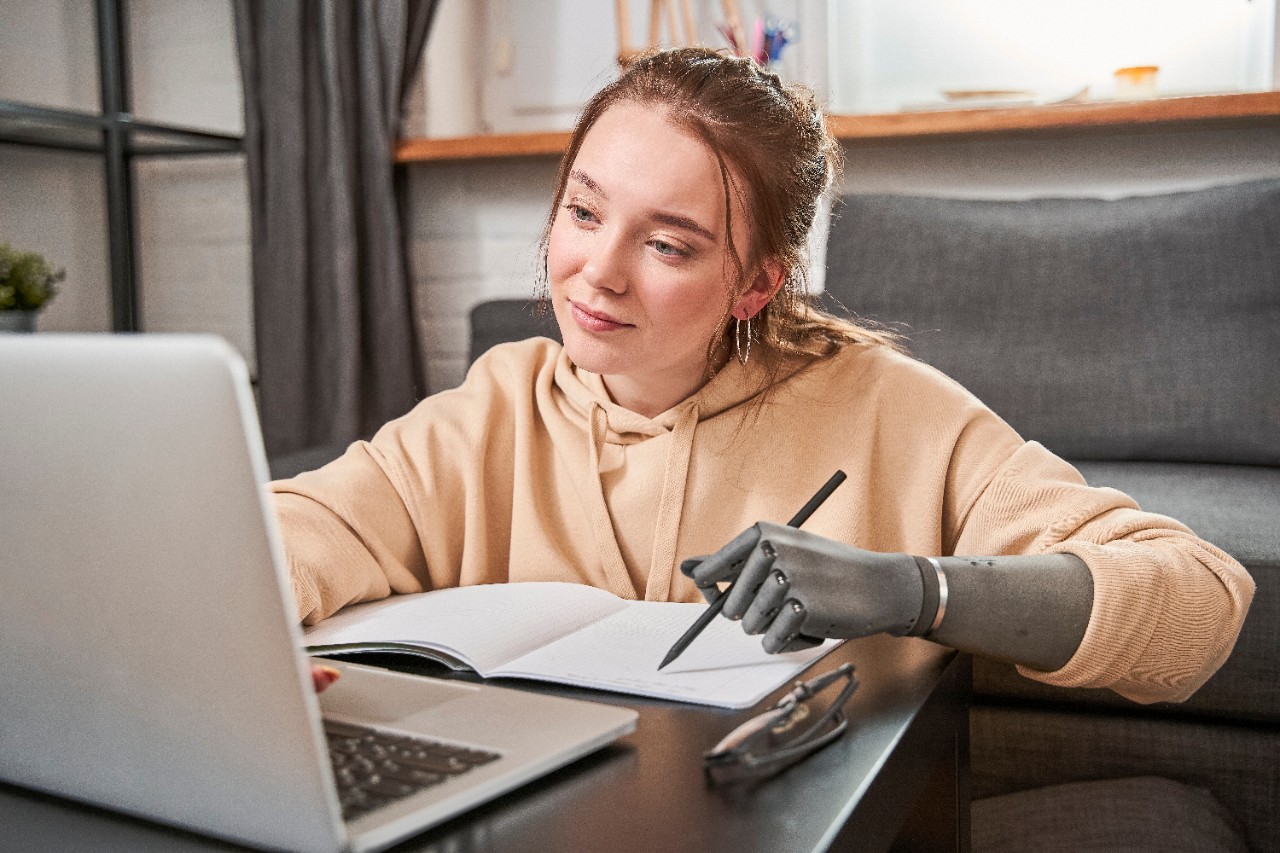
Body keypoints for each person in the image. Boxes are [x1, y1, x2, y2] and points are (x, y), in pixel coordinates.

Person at [276, 47, 1253, 705]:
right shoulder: (497, 404)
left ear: (753, 284)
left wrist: (918, 590)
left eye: (666, 242)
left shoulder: (887, 407)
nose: (596, 271)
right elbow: (294, 529)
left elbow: (1196, 598)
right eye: (581, 212)